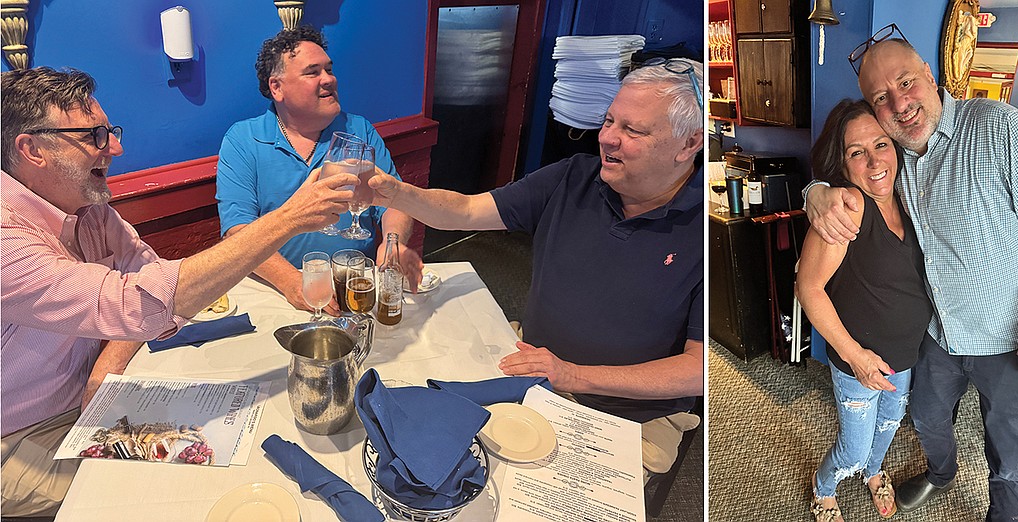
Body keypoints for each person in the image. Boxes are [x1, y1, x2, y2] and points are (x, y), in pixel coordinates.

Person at [0, 66, 357, 517]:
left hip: (97, 400)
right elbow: (135, 303)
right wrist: (287, 219)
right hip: (21, 436)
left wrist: (106, 365)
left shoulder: (88, 209)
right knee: (164, 490)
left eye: (111, 131)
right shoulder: (7, 235)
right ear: (32, 150)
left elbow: (147, 278)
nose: (115, 147)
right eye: (94, 135)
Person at [367, 59, 706, 478]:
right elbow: (468, 210)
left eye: (632, 131)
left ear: (688, 144)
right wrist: (396, 192)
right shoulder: (573, 176)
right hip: (531, 365)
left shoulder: (705, 231)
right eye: (608, 121)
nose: (608, 139)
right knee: (426, 436)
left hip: (629, 416)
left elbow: (698, 369)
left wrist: (573, 375)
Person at [804, 36, 1018, 520]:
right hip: (937, 338)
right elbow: (847, 163)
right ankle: (941, 474)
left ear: (931, 78)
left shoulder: (1000, 128)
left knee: (1010, 459)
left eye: (906, 82)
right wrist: (815, 189)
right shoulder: (896, 155)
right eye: (881, 97)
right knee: (926, 420)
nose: (898, 103)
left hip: (1012, 340)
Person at [216, 26, 422, 315]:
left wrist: (393, 245)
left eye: (329, 69)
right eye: (313, 72)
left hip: (353, 286)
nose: (329, 80)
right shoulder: (243, 140)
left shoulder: (359, 130)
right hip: (276, 291)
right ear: (277, 88)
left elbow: (393, 204)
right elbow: (238, 231)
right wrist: (291, 282)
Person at [796, 99, 934, 521]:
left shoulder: (911, 197)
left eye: (881, 144)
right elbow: (809, 287)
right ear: (844, 162)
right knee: (852, 447)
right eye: (858, 152)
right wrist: (856, 358)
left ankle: (874, 473)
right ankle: (824, 487)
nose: (875, 160)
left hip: (904, 357)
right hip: (859, 360)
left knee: (889, 427)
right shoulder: (848, 207)